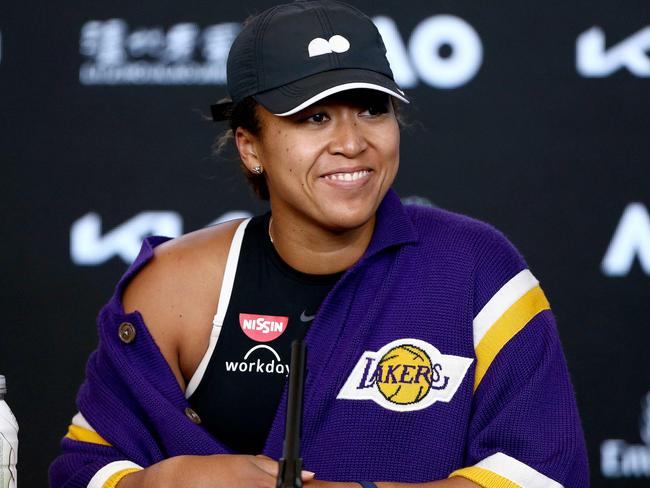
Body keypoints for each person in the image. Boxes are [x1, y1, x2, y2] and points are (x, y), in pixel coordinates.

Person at [50, 1, 589, 487]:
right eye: (314, 117)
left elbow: (544, 472)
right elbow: (84, 471)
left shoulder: (476, 269)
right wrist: (164, 483)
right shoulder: (175, 285)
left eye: (372, 110)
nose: (353, 143)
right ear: (249, 145)